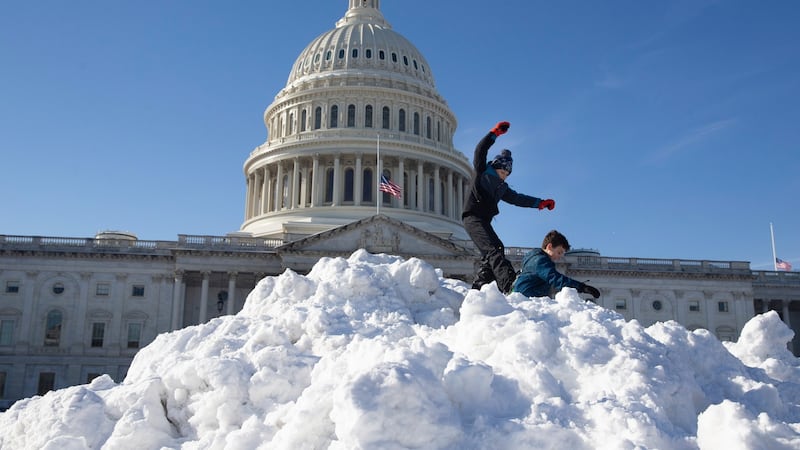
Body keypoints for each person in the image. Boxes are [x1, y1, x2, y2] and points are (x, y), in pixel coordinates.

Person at [462, 121, 556, 294]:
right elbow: (480, 151)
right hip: (472, 217)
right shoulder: (482, 172)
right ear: (496, 167)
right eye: (502, 172)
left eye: (507, 174)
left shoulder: (501, 188)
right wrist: (494, 134)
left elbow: (518, 199)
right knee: (495, 249)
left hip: (483, 221)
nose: (504, 177)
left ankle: (477, 291)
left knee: (489, 257)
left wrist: (540, 203)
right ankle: (509, 284)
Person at [512, 229, 601, 299]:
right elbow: (555, 278)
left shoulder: (533, 257)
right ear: (549, 247)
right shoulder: (540, 261)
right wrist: (582, 287)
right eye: (559, 252)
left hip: (526, 297)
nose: (560, 256)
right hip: (528, 299)